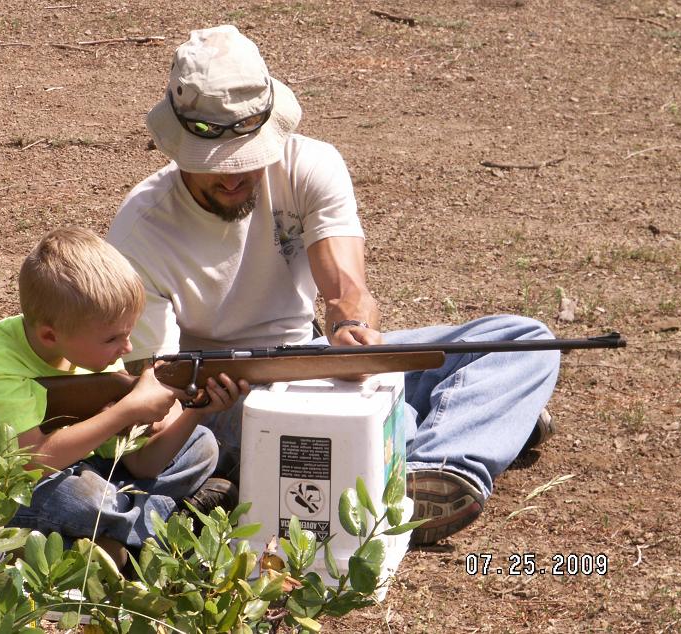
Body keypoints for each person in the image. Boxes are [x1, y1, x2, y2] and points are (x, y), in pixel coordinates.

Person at [106, 25, 561, 546]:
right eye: (217, 167)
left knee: (525, 340)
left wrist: (353, 328)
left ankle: (434, 469)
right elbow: (156, 381)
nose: (235, 178)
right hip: (221, 394)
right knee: (388, 419)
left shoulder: (310, 164)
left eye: (249, 159)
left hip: (310, 354)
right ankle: (466, 437)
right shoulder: (142, 229)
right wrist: (203, 402)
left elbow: (345, 285)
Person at [0, 227, 247, 567]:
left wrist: (194, 411)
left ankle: (120, 541)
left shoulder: (89, 346)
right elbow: (31, 463)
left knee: (202, 444)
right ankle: (168, 525)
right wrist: (126, 411)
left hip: (90, 473)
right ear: (49, 335)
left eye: (128, 334)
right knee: (83, 499)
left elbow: (141, 464)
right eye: (114, 339)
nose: (126, 349)